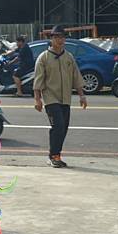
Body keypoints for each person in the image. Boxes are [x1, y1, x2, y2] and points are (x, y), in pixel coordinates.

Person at [33, 25, 87, 168]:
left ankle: (56, 154)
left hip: (65, 98)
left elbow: (76, 76)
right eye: (56, 37)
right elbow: (38, 80)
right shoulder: (43, 57)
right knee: (58, 125)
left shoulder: (68, 57)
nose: (59, 40)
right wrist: (37, 99)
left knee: (64, 127)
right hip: (50, 97)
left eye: (62, 37)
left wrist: (82, 96)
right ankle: (53, 156)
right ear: (51, 39)